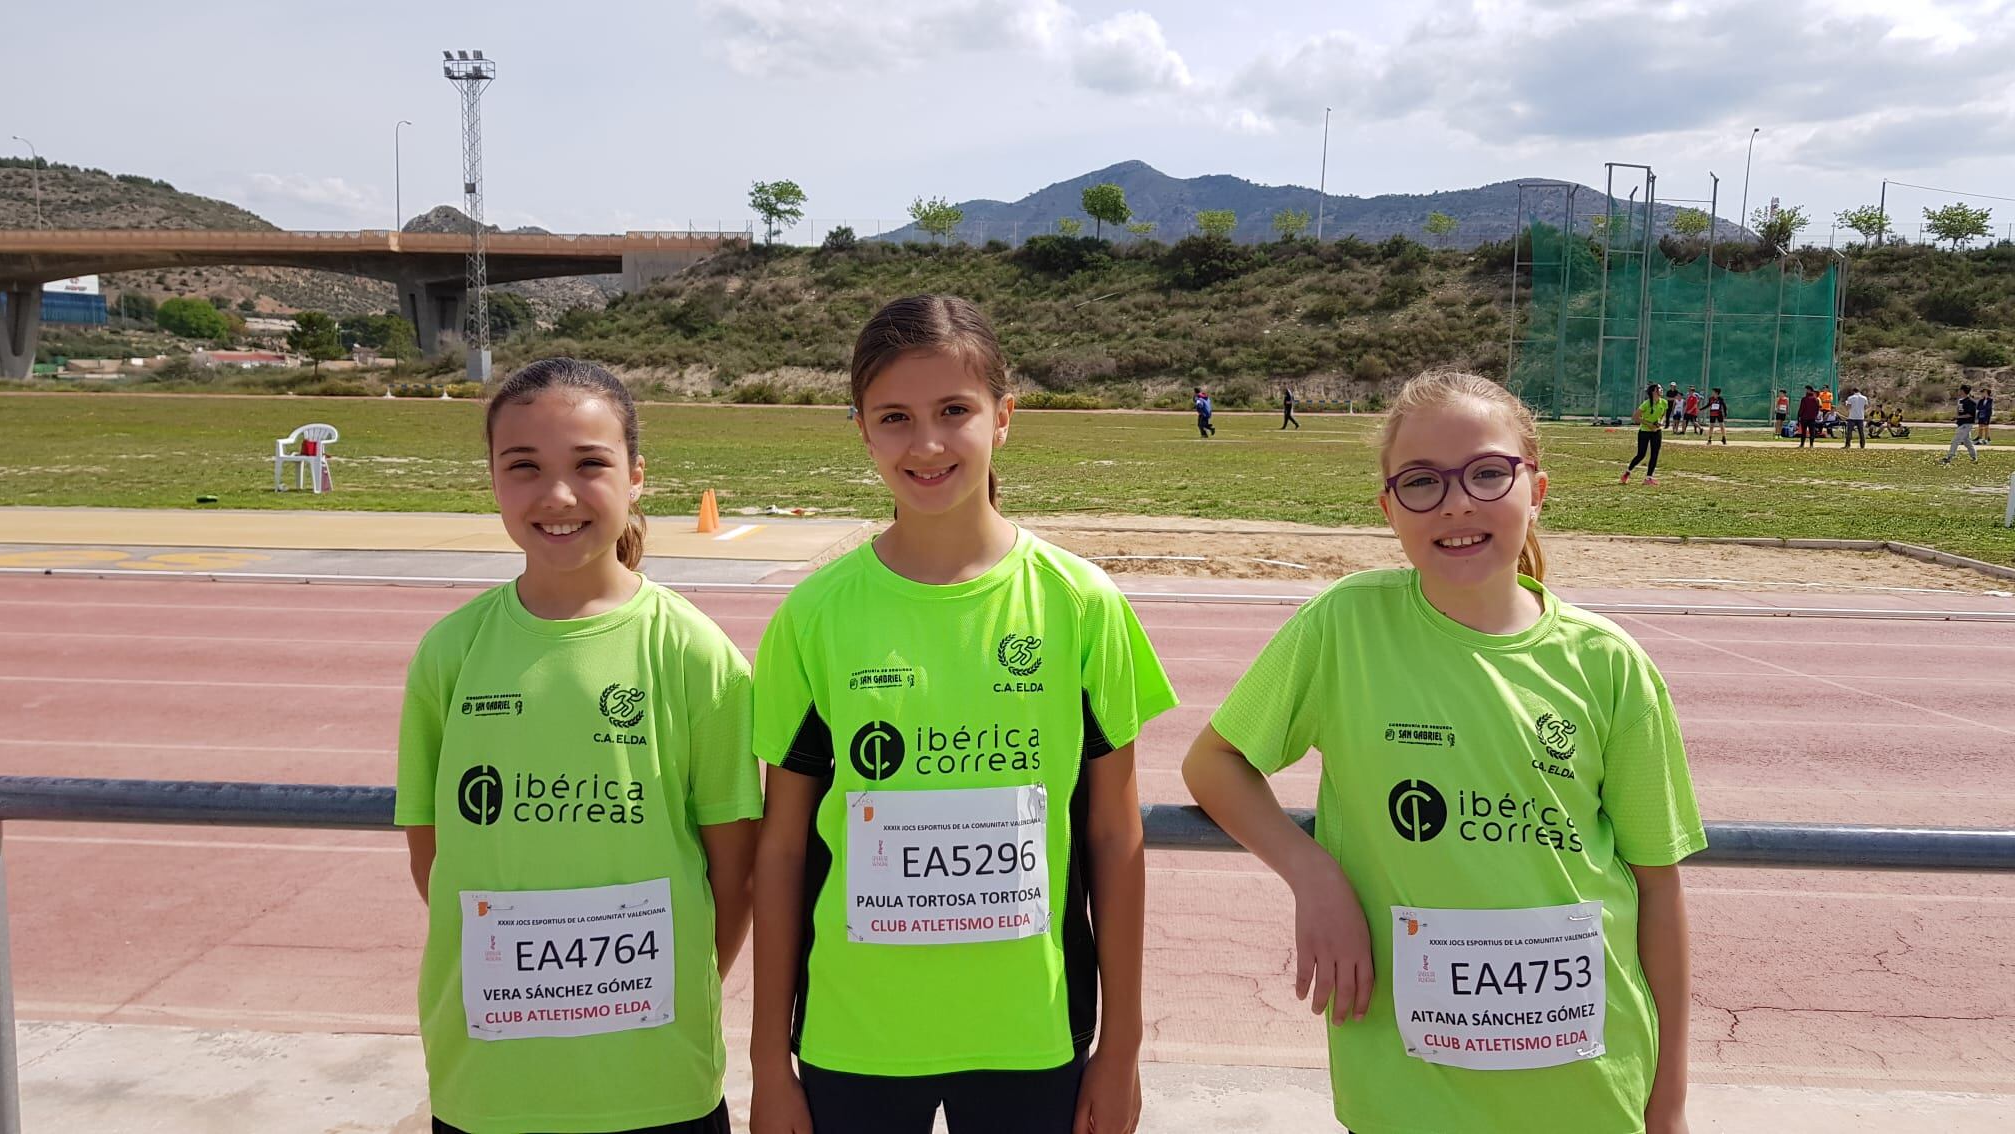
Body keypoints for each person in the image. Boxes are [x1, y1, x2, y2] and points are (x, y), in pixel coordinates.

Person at [1182, 371, 1704, 1134]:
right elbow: (1214, 764)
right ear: (1388, 508)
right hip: (1405, 1092)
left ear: (1538, 489)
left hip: (1587, 1090)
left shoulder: (1607, 663)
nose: (1458, 502)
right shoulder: (1347, 628)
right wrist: (1314, 876)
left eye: (1489, 473)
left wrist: (1670, 1105)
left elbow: (1657, 893)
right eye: (1422, 482)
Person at [749, 294, 1176, 1134]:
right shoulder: (815, 616)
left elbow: (1115, 839)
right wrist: (768, 1059)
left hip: (1032, 1034)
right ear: (863, 431)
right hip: (854, 1034)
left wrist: (1120, 1048)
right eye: (895, 417)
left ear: (1004, 417)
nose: (928, 443)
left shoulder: (1081, 604)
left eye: (955, 411)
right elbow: (783, 846)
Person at [396, 358, 762, 1134]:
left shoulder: (696, 654)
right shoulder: (451, 654)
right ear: (493, 481)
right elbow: (436, 860)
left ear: (636, 477)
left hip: (656, 1078)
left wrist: (659, 982)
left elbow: (734, 877)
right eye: (523, 467)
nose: (556, 496)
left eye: (589, 464)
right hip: (492, 1084)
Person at [1621, 382, 1664, 485]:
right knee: (1641, 454)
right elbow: (1635, 418)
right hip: (1644, 432)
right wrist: (1649, 424)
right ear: (1654, 391)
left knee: (1655, 454)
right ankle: (1627, 472)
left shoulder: (1664, 403)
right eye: (1659, 388)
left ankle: (1648, 478)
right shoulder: (1646, 404)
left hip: (1656, 432)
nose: (1662, 390)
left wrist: (1660, 423)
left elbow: (1663, 416)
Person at [1941, 385, 1979, 464]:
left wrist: (1959, 416)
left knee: (1955, 440)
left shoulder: (1971, 402)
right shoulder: (1960, 401)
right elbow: (1959, 411)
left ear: (1963, 391)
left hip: (1967, 424)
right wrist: (1957, 417)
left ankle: (1949, 457)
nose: (1959, 391)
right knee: (1967, 442)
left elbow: (1970, 414)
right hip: (1961, 424)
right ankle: (1974, 457)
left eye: (1960, 390)